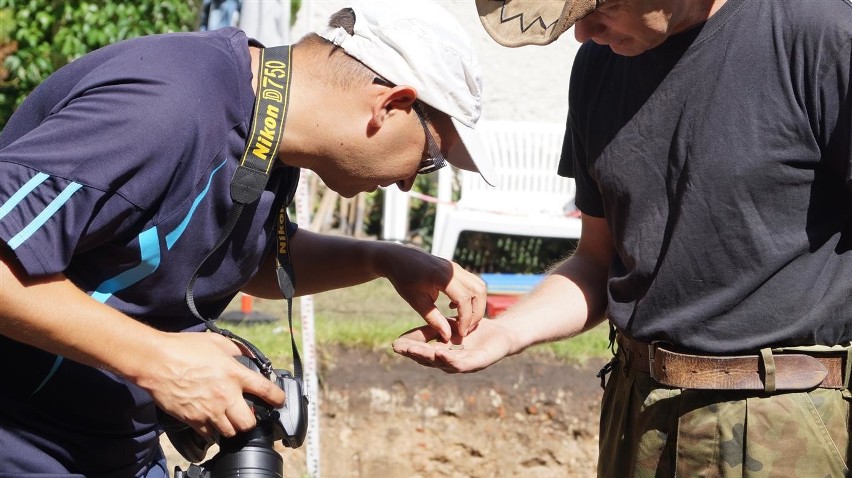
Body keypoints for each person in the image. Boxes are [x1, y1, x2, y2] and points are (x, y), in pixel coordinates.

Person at [0, 0, 494, 476]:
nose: (412, 181)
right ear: (393, 104)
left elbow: (237, 257)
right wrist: (158, 361)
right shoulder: (165, 106)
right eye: (430, 158)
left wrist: (383, 260)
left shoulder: (270, 139)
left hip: (110, 447)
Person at [394, 0, 852, 475]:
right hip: (637, 410)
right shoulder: (598, 65)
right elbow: (597, 261)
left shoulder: (821, 36)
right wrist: (505, 331)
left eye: (601, 6)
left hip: (785, 422)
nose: (582, 33)